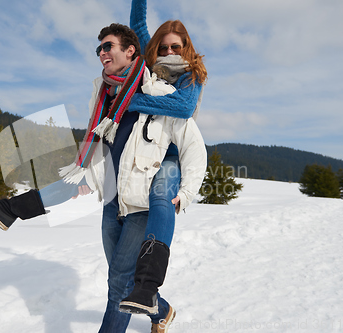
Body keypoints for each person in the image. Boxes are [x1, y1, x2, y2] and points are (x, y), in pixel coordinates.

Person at [0, 23, 177, 332]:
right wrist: (87, 170)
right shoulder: (105, 92)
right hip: (110, 193)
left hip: (140, 199)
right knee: (119, 274)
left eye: (108, 47)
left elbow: (183, 141)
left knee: (120, 281)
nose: (102, 53)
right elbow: (100, 140)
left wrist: (179, 188)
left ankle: (11, 210)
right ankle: (160, 310)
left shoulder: (154, 89)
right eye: (99, 50)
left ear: (130, 50)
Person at [115, 0, 209, 325]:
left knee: (160, 197)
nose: (169, 50)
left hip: (171, 154)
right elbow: (137, 24)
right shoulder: (147, 65)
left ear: (186, 49)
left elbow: (182, 108)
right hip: (140, 151)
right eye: (164, 45)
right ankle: (160, 310)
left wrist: (130, 100)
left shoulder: (190, 77)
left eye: (176, 46)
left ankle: (147, 286)